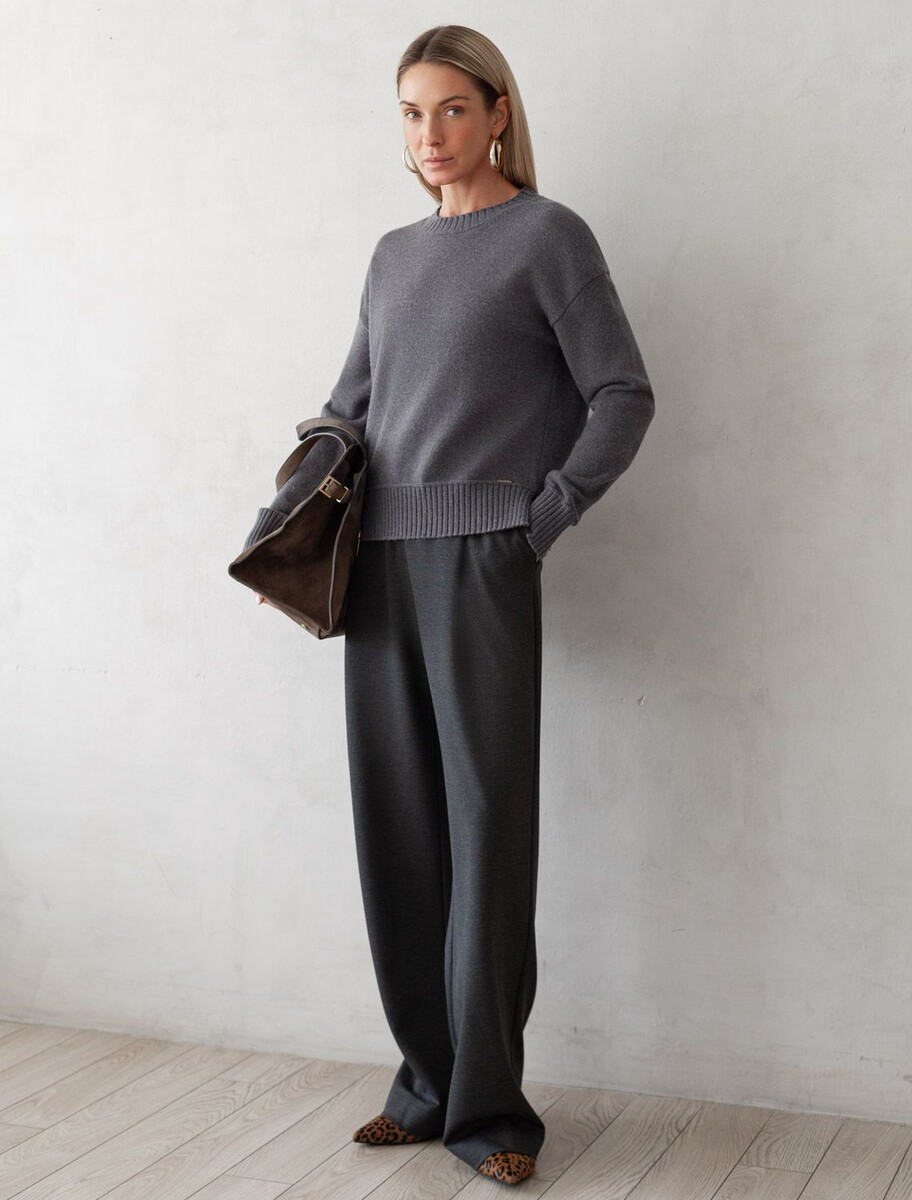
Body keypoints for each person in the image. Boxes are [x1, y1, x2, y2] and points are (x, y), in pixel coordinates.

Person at [241, 24, 655, 1187]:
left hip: (483, 562)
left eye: (453, 109)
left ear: (499, 113)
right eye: (412, 114)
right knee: (400, 829)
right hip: (377, 567)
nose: (430, 134)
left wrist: (542, 516)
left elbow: (623, 393)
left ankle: (491, 1110)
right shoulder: (392, 257)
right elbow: (351, 404)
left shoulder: (549, 237)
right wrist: (300, 490)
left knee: (485, 830)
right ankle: (424, 1085)